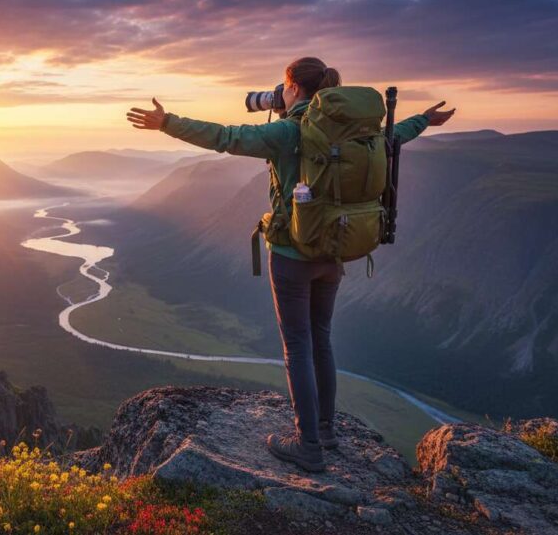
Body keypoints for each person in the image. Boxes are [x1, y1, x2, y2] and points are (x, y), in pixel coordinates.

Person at [125, 56, 455, 472]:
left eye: (283, 87)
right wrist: (424, 119)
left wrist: (167, 122)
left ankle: (308, 445)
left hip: (291, 254)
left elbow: (226, 136)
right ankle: (327, 430)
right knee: (321, 338)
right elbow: (394, 136)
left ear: (294, 88)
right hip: (336, 250)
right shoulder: (358, 131)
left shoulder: (287, 131)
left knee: (296, 345)